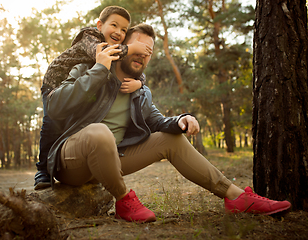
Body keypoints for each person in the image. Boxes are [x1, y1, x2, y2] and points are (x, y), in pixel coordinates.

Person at [45, 23, 292, 223]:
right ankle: (123, 199)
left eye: (149, 51)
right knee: (99, 132)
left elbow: (158, 121)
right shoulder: (89, 68)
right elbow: (54, 107)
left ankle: (236, 197)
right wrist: (99, 70)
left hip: (112, 159)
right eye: (138, 46)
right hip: (72, 160)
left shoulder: (140, 92)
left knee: (171, 139)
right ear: (121, 46)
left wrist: (182, 119)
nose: (143, 53)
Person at [34, 6, 153, 190]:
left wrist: (140, 83)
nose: (118, 32)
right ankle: (42, 170)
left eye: (123, 30)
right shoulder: (89, 37)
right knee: (51, 124)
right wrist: (131, 48)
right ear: (99, 25)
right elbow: (106, 53)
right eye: (114, 25)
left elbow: (132, 70)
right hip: (56, 83)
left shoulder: (115, 47)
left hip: (78, 83)